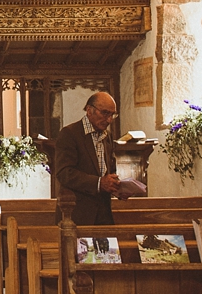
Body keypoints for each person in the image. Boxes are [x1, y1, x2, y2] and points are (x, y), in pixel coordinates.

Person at [55, 91, 146, 225]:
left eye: (112, 115)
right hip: (78, 214)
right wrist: (99, 183)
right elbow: (64, 173)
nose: (109, 119)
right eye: (105, 113)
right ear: (89, 110)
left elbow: (109, 169)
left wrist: (117, 187)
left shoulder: (106, 136)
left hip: (103, 213)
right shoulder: (70, 134)